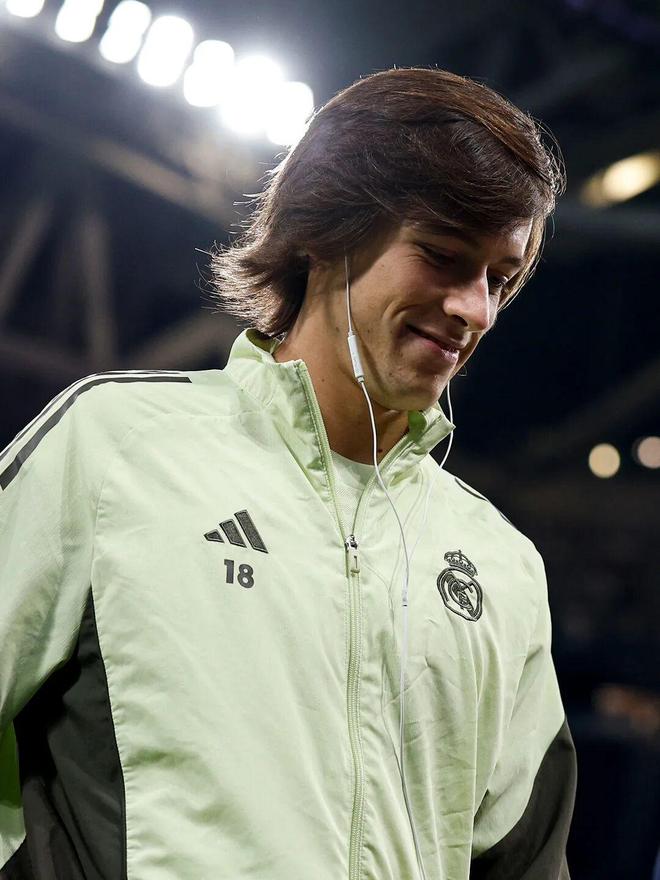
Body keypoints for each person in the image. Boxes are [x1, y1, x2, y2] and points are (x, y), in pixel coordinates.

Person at [0, 67, 576, 880]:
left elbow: (525, 862)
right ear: (325, 230)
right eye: (443, 256)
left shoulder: (503, 567)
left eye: (499, 279)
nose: (474, 309)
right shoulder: (114, 447)